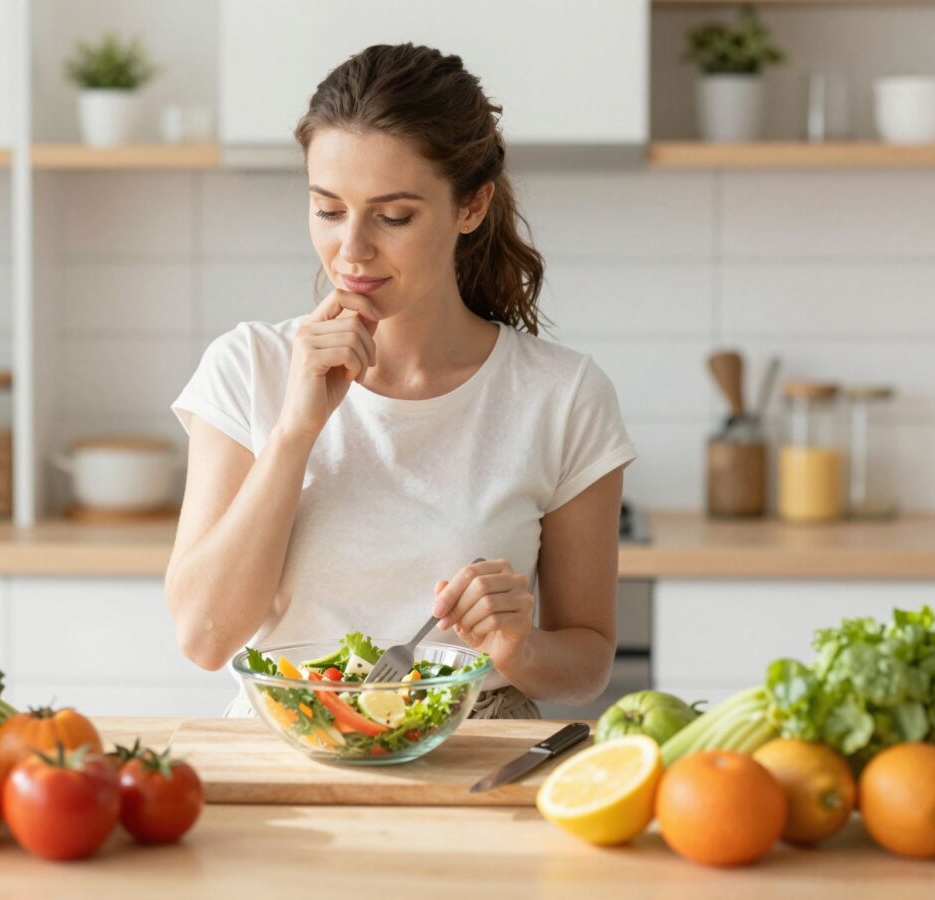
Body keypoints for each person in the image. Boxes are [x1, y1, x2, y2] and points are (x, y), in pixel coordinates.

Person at [166, 43, 637, 719]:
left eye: (393, 216)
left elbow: (586, 662)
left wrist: (518, 647)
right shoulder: (248, 368)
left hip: (473, 759)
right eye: (328, 210)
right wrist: (297, 430)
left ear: (471, 207)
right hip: (288, 753)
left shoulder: (562, 396)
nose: (351, 250)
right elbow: (205, 639)